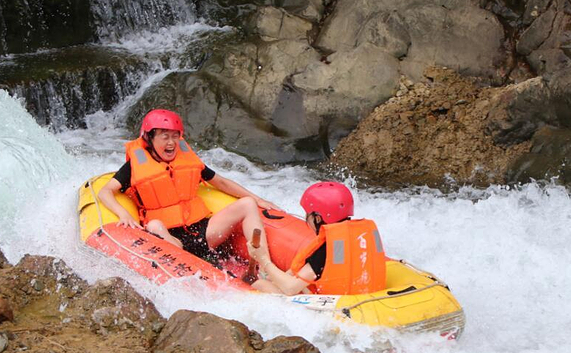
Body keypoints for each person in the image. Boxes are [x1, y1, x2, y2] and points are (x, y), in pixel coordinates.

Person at [97, 109, 279, 265]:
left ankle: (265, 266)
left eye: (175, 137)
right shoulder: (134, 167)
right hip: (170, 238)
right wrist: (123, 213)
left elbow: (221, 182)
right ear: (149, 138)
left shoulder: (188, 161)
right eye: (165, 137)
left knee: (247, 204)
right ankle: (191, 264)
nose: (171, 143)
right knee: (154, 225)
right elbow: (105, 192)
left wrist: (258, 199)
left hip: (202, 232)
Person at [249, 182, 387, 296]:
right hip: (364, 293)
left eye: (307, 215)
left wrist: (262, 259)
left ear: (318, 218)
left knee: (257, 283)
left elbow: (290, 288)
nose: (305, 218)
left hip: (337, 304)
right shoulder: (360, 233)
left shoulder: (326, 248)